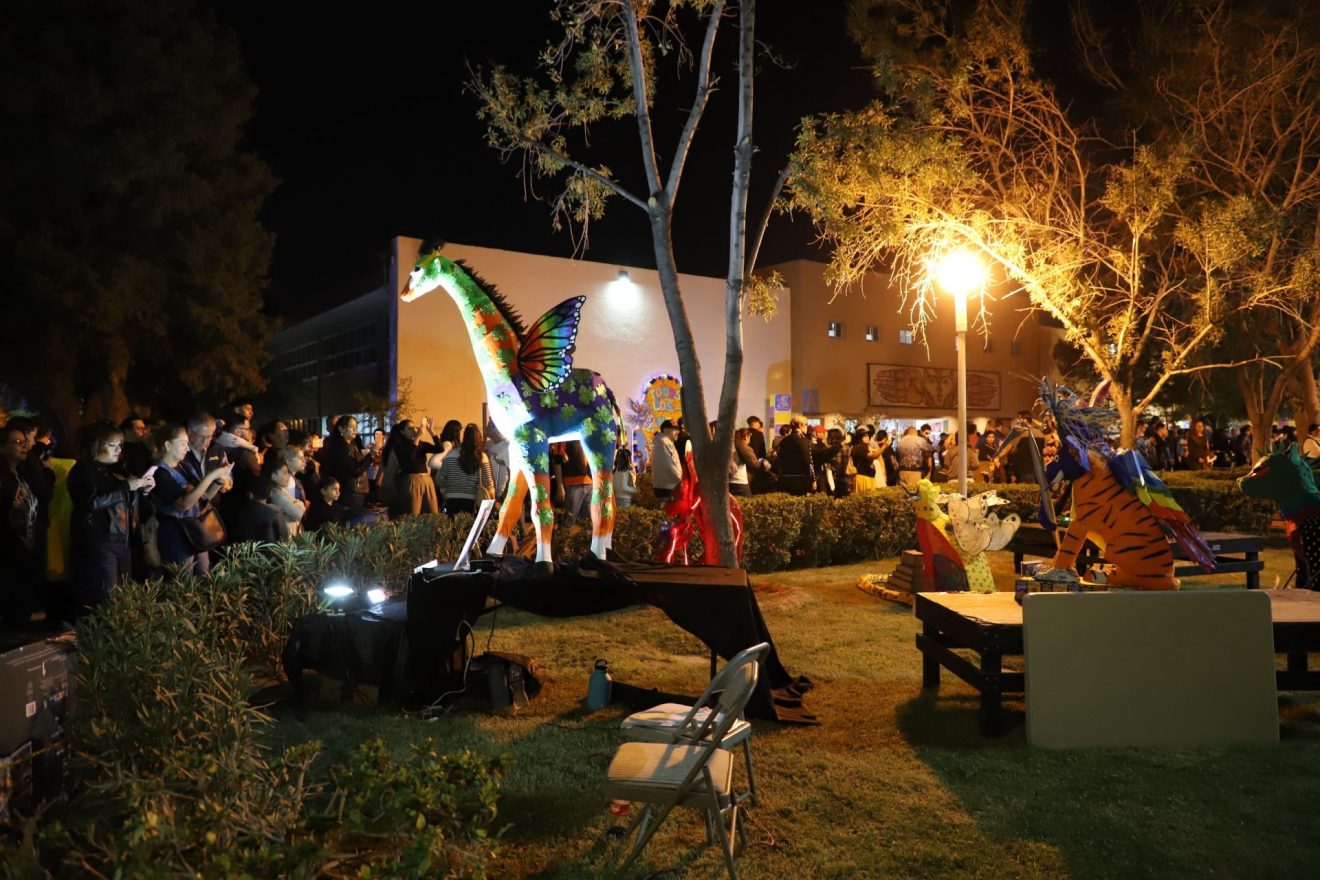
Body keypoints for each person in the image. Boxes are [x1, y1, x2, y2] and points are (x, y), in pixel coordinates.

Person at [66, 424, 155, 619]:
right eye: (112, 445)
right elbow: (89, 503)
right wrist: (126, 487)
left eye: (120, 445)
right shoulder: (83, 470)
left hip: (124, 539)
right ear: (96, 446)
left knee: (123, 595)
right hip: (98, 540)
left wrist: (143, 491)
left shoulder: (119, 470)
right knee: (105, 595)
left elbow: (135, 507)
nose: (118, 450)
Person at [148, 423, 234, 576]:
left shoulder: (183, 466)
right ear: (167, 445)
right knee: (183, 580)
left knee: (204, 574)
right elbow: (183, 504)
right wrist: (210, 476)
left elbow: (202, 498)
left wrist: (218, 482)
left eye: (187, 444)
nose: (187, 449)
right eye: (183, 444)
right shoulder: (159, 473)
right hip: (176, 534)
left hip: (195, 530)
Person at [0, 422, 40, 630]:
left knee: (21, 603)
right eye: (17, 442)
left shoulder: (22, 474)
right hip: (6, 550)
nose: (24, 446)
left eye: (25, 442)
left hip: (25, 551)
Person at [434, 423, 495, 515]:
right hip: (473, 502)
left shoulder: (450, 455)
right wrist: (492, 501)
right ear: (479, 438)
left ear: (464, 437)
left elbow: (442, 479)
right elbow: (488, 483)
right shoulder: (482, 457)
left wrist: (444, 496)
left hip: (451, 501)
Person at [317, 415, 372, 509]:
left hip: (354, 491)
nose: (355, 429)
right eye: (351, 426)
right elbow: (355, 470)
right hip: (348, 492)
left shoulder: (352, 444)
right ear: (341, 429)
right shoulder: (340, 447)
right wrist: (371, 455)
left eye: (356, 426)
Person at [389, 418, 442, 515]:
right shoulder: (400, 445)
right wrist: (417, 436)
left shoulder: (421, 444)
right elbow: (410, 456)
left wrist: (431, 431)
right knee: (413, 512)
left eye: (414, 427)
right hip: (412, 480)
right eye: (410, 429)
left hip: (426, 479)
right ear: (402, 432)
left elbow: (440, 449)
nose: (414, 430)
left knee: (432, 512)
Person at [265, 450, 308, 537]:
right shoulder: (276, 495)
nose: (288, 476)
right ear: (273, 476)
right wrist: (298, 503)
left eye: (288, 473)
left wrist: (297, 503)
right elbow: (298, 513)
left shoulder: (280, 490)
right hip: (288, 535)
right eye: (284, 473)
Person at [772, 419, 815, 496]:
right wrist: (813, 479)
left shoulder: (784, 440)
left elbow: (780, 459)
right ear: (800, 425)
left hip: (785, 477)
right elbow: (808, 461)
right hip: (800, 478)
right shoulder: (803, 440)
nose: (807, 427)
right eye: (806, 424)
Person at [895, 426, 932, 494]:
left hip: (902, 472)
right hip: (915, 473)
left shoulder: (900, 442)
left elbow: (897, 459)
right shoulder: (920, 441)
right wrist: (928, 473)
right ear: (916, 433)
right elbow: (929, 463)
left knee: (904, 495)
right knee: (915, 495)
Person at [651, 420, 682, 500]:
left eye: (678, 429)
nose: (677, 432)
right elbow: (670, 465)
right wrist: (681, 480)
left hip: (665, 485)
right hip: (668, 486)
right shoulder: (664, 443)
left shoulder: (662, 442)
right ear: (666, 430)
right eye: (674, 429)